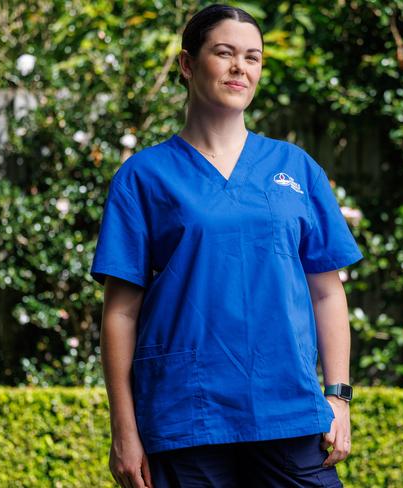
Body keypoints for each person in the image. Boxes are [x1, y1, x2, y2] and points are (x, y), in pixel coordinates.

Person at [90, 4, 363, 487]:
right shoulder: (144, 177)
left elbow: (327, 291)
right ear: (187, 64)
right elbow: (120, 312)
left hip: (289, 409)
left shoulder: (295, 168)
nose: (241, 67)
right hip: (187, 415)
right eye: (224, 52)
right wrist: (124, 430)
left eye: (252, 57)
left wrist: (338, 396)